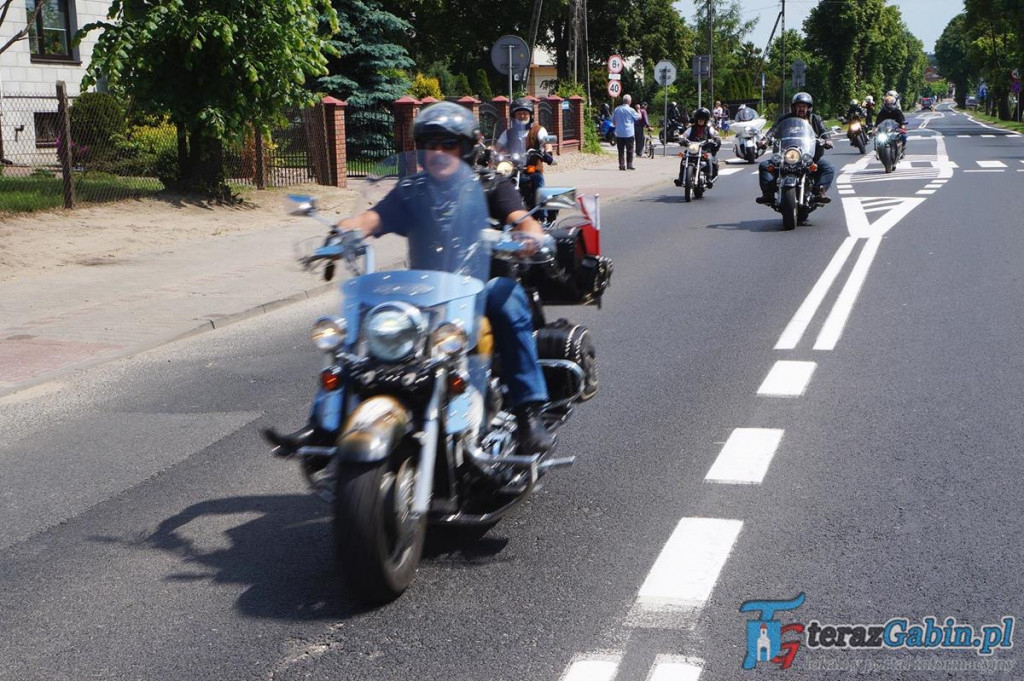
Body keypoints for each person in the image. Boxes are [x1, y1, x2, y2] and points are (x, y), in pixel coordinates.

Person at [264, 101, 555, 455]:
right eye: (430, 145)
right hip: (427, 288)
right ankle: (326, 421)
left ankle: (528, 413)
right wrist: (345, 230)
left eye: (448, 145)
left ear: (467, 148)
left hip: (482, 285)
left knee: (510, 304)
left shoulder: (490, 184)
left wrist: (529, 235)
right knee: (364, 322)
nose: (438, 153)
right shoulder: (413, 189)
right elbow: (373, 219)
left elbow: (521, 217)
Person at [755, 91, 834, 205]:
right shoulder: (785, 119)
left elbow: (824, 131)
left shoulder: (815, 119)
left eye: (804, 106)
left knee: (828, 168)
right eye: (799, 106)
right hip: (786, 156)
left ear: (808, 108)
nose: (801, 109)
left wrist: (827, 139)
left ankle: (819, 191)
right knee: (764, 166)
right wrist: (765, 140)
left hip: (809, 157)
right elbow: (773, 130)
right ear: (794, 107)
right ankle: (768, 193)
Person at [495, 97, 555, 211]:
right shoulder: (508, 133)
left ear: (530, 115)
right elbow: (497, 147)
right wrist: (488, 152)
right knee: (499, 183)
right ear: (514, 116)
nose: (522, 116)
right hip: (513, 168)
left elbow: (546, 143)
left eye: (524, 113)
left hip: (532, 167)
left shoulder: (539, 130)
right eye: (519, 113)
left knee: (537, 181)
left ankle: (543, 216)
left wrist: (548, 153)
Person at [673, 107, 721, 187]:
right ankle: (680, 178)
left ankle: (709, 179)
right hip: (693, 149)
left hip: (704, 149)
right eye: (699, 119)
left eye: (702, 119)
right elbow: (684, 135)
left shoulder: (709, 128)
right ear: (696, 119)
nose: (700, 121)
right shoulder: (691, 128)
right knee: (684, 157)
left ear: (705, 120)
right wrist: (680, 137)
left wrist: (715, 137)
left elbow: (714, 134)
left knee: (709, 158)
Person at [873, 91, 908, 158]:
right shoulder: (882, 112)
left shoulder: (897, 111)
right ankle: (877, 150)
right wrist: (875, 130)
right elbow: (877, 122)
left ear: (894, 103)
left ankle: (902, 148)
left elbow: (902, 120)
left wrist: (903, 128)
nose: (889, 105)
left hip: (895, 129)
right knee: (876, 138)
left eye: (890, 104)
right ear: (885, 104)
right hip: (885, 130)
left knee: (904, 136)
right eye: (887, 104)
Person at [612, 94, 642, 170]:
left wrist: (617, 126)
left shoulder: (617, 109)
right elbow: (639, 117)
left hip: (619, 133)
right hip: (629, 133)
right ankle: (629, 164)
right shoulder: (631, 110)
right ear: (629, 101)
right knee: (630, 150)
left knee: (621, 150)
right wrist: (638, 109)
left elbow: (613, 120)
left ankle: (621, 165)